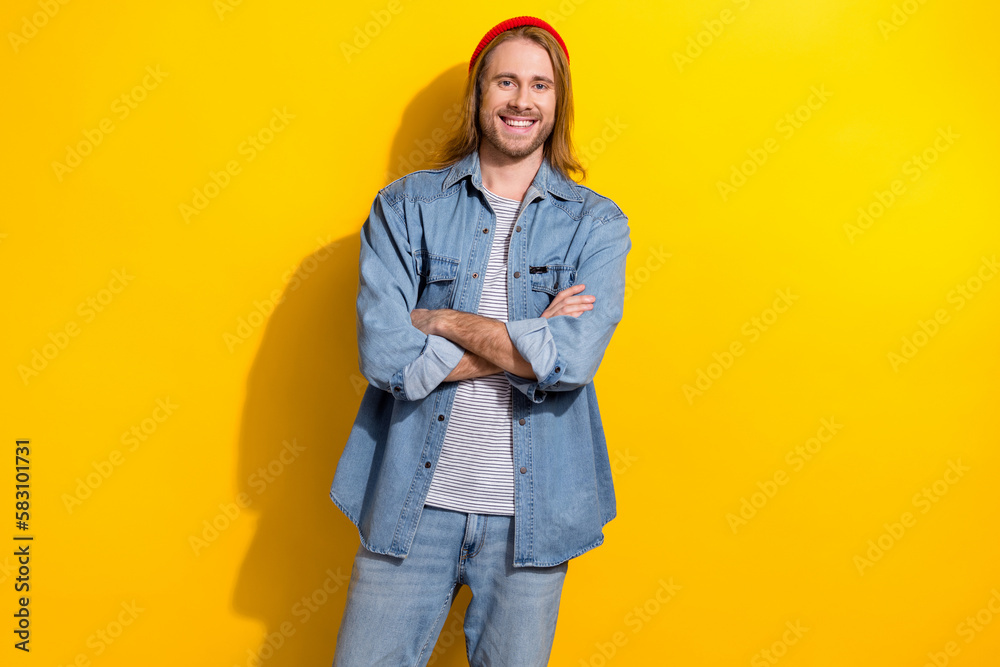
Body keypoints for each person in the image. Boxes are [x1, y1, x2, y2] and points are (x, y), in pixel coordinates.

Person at [330, 15, 631, 666]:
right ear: (478, 94)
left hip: (534, 515)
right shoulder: (405, 207)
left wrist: (438, 318)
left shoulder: (597, 223)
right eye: (506, 82)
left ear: (559, 100)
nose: (522, 100)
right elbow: (384, 354)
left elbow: (573, 360)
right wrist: (529, 340)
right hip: (411, 504)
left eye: (540, 85)